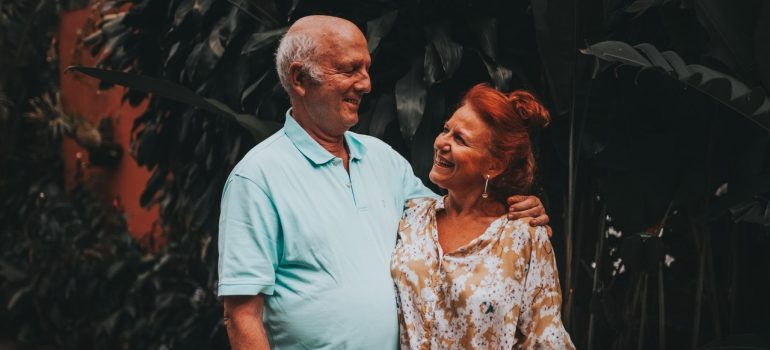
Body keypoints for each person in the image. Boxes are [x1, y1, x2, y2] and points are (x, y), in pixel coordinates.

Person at [217, 16, 550, 350]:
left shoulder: (382, 159)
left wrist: (510, 210)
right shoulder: (258, 178)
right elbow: (242, 316)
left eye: (366, 69)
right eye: (350, 70)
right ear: (301, 79)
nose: (366, 84)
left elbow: (450, 220)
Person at [391, 84, 575, 349]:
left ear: (494, 166)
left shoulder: (524, 238)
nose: (442, 143)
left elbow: (545, 338)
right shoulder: (411, 217)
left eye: (460, 140)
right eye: (446, 129)